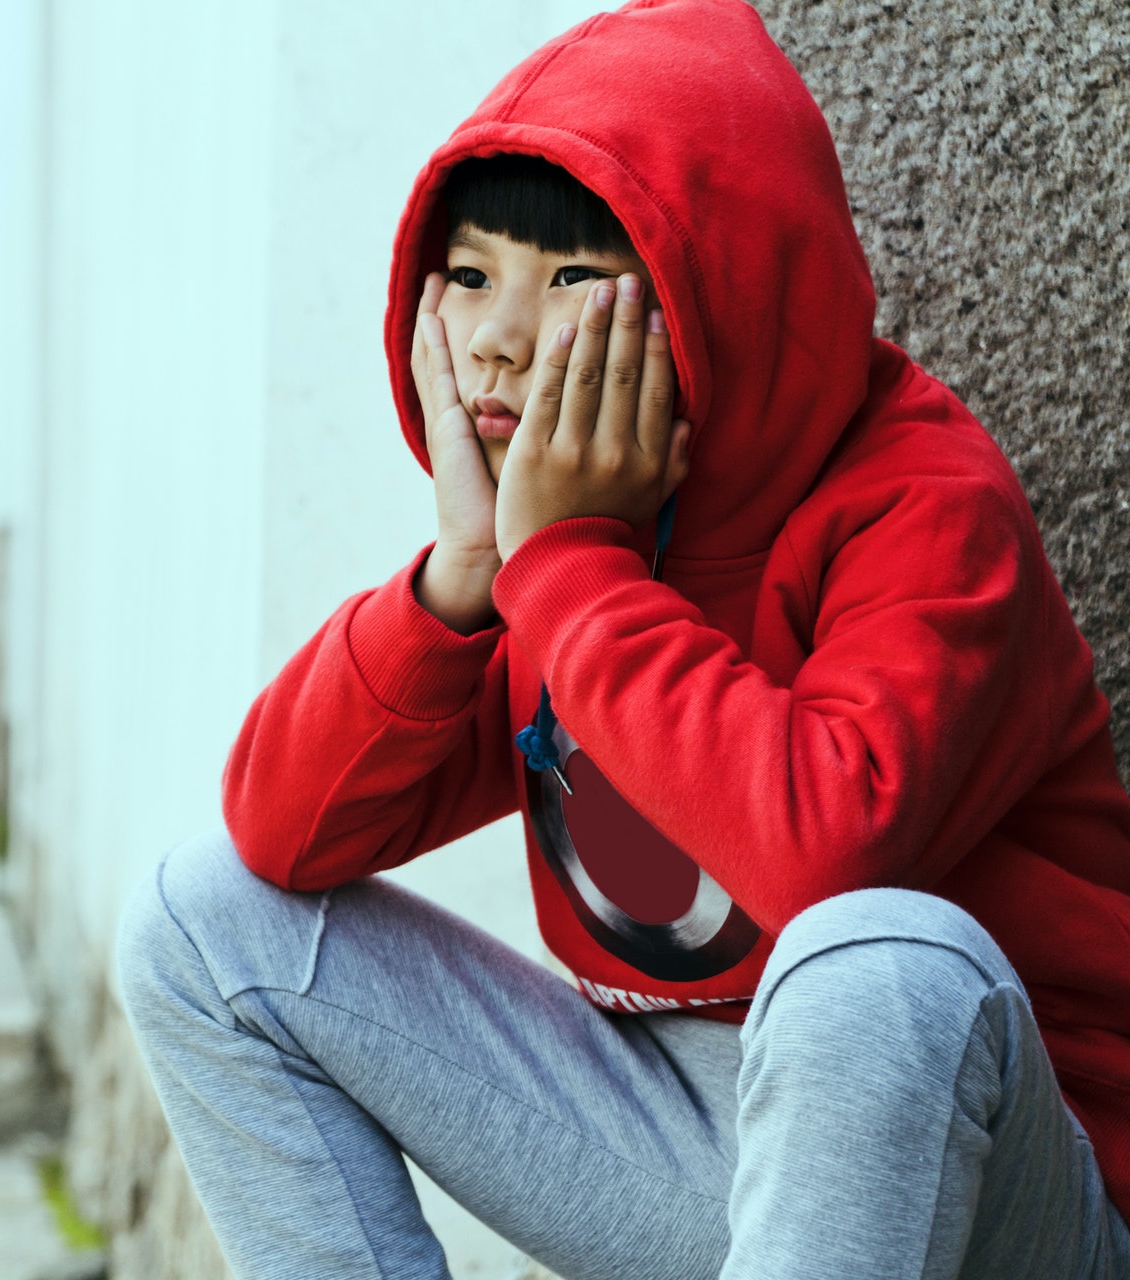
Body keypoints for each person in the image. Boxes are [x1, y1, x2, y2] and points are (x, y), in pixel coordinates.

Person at [115, 2, 1130, 1277]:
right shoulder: (561, 542)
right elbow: (283, 826)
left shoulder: (924, 504)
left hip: (996, 1187)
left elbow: (828, 860)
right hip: (697, 1146)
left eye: (572, 279)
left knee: (879, 967)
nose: (495, 332)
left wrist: (573, 571)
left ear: (721, 290)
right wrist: (468, 578)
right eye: (471, 274)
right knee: (197, 916)